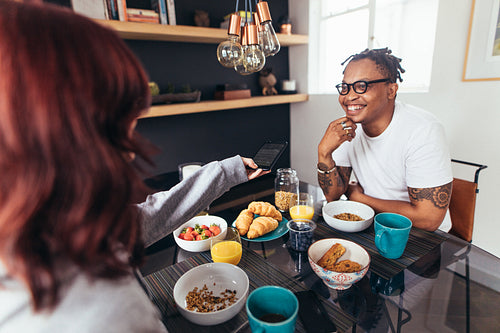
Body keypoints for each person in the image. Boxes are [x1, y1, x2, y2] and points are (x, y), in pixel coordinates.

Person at [0, 2, 268, 332]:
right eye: (117, 123)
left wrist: (227, 171)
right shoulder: (108, 314)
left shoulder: (43, 228)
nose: (129, 153)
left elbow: (139, 219)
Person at [317, 48, 453, 232]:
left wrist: (360, 199)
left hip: (423, 238)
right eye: (345, 87)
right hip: (374, 225)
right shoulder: (347, 129)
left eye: (362, 85)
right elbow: (333, 195)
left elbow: (428, 220)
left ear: (391, 90)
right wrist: (324, 153)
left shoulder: (423, 130)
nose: (349, 96)